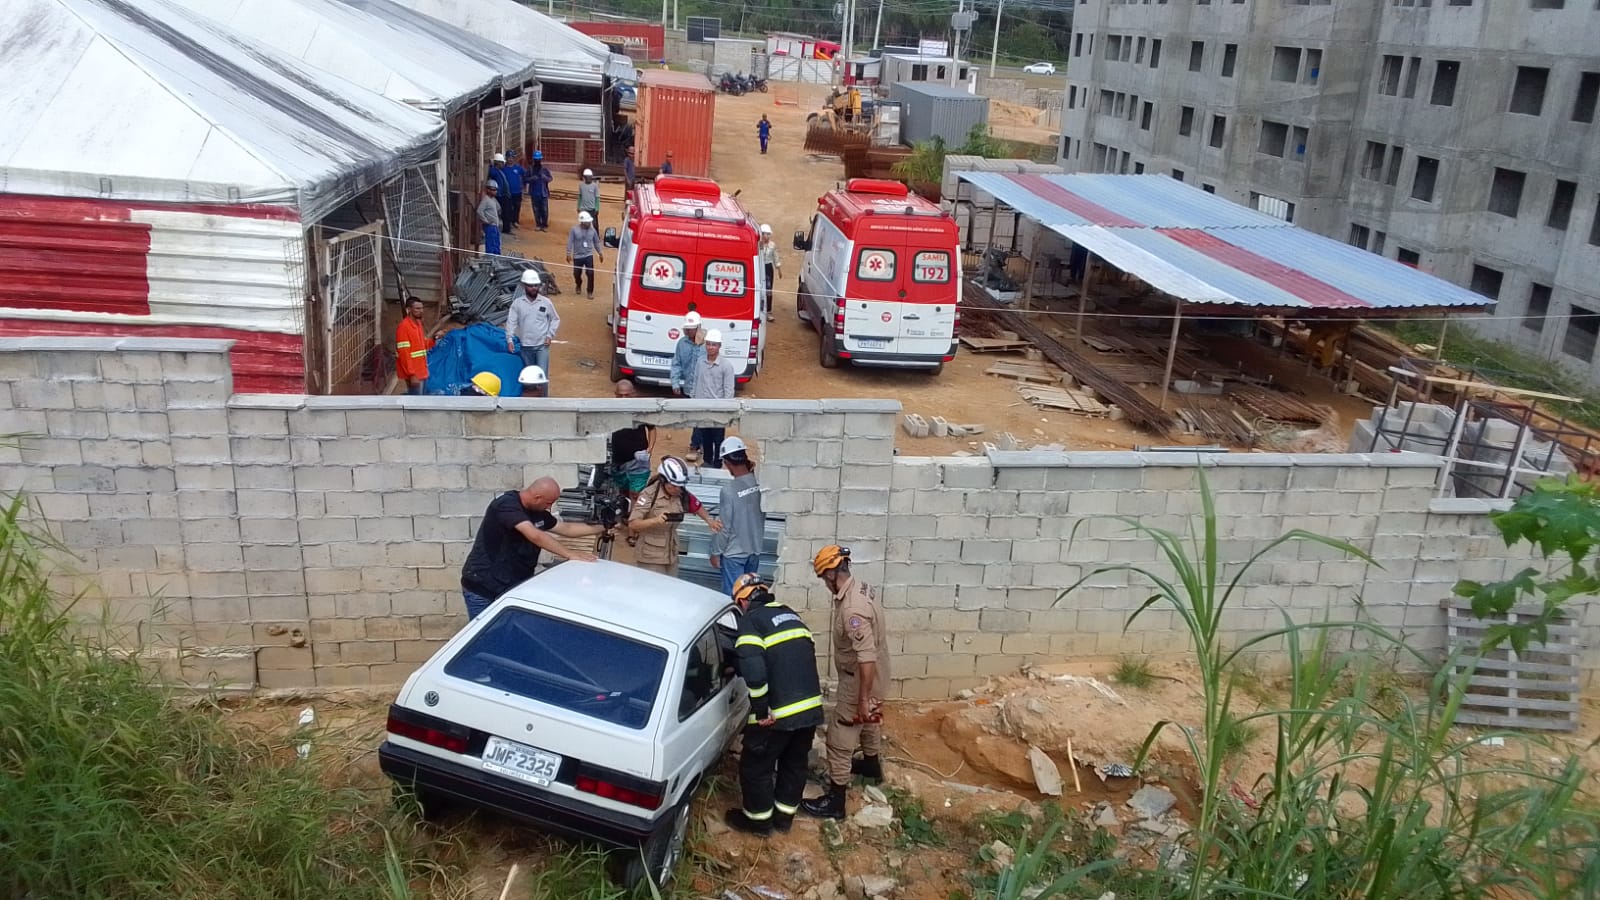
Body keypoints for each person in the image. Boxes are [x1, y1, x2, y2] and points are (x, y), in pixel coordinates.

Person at [723, 574, 824, 836]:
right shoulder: (790, 614)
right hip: (809, 708)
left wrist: (760, 710)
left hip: (777, 713)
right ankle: (783, 819)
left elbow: (755, 671)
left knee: (755, 766)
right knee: (794, 763)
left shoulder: (752, 622)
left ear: (743, 601)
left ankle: (758, 823)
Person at [800, 544, 891, 820]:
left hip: (860, 679)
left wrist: (861, 698)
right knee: (868, 719)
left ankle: (836, 801)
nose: (824, 584)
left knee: (841, 735)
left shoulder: (852, 610)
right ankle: (871, 765)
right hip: (878, 675)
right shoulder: (862, 588)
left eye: (822, 577)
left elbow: (865, 657)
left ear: (830, 574)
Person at [459, 478, 608, 619]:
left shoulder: (538, 513)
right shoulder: (507, 505)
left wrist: (604, 527)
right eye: (548, 503)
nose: (549, 507)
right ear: (537, 497)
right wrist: (569, 554)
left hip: (511, 587)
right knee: (488, 640)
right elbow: (534, 535)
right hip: (483, 588)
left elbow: (567, 528)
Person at [626, 457, 720, 577]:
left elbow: (696, 505)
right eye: (675, 486)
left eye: (681, 486)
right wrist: (655, 521)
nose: (678, 489)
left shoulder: (681, 494)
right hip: (650, 557)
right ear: (664, 481)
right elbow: (633, 524)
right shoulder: (649, 495)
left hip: (671, 554)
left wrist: (709, 520)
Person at [709, 435, 764, 595]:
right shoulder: (759, 483)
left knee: (733, 599)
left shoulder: (729, 491)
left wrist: (715, 552)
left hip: (734, 555)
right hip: (754, 551)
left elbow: (725, 528)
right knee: (748, 597)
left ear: (727, 463)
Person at [505, 269, 560, 385]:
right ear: (524, 286)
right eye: (530, 286)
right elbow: (511, 322)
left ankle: (543, 401)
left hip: (542, 346)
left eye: (536, 285)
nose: (534, 288)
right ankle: (530, 401)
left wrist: (550, 335)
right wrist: (509, 339)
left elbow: (555, 319)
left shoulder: (546, 302)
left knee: (541, 376)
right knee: (529, 378)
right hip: (525, 347)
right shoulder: (517, 304)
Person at [690, 329, 735, 469]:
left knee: (718, 439)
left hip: (718, 410)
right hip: (703, 408)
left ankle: (717, 463)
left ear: (719, 346)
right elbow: (695, 381)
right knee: (706, 437)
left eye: (714, 345)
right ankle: (708, 461)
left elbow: (728, 390)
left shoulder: (726, 366)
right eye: (708, 344)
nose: (710, 347)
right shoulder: (700, 362)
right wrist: (694, 401)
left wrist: (725, 409)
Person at [609, 380, 656, 501]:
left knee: (636, 493)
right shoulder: (610, 410)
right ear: (615, 394)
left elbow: (652, 429)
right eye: (620, 395)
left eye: (627, 395)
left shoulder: (641, 410)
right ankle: (625, 514)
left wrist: (649, 450)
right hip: (618, 461)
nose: (623, 398)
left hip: (638, 461)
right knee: (622, 492)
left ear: (634, 394)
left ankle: (634, 518)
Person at [394, 296, 434, 395]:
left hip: (422, 371)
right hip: (415, 374)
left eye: (422, 308)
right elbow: (404, 354)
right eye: (417, 308)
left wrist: (434, 339)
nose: (421, 311)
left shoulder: (418, 324)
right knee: (415, 403)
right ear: (409, 310)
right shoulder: (404, 327)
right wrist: (412, 375)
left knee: (420, 401)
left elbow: (422, 345)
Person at [565, 211, 604, 299]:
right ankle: (578, 284)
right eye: (588, 222)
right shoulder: (574, 230)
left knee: (590, 273)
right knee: (576, 273)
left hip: (588, 255)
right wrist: (568, 253)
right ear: (582, 222)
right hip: (577, 256)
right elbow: (570, 242)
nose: (590, 223)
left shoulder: (593, 230)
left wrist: (600, 253)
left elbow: (596, 242)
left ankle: (590, 291)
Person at [669, 311, 705, 398]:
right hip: (688, 390)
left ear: (698, 327)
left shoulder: (707, 344)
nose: (688, 331)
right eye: (687, 328)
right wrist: (675, 383)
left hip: (704, 391)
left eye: (691, 328)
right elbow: (676, 364)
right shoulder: (682, 343)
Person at [758, 224, 780, 323]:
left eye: (767, 234)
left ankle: (769, 312)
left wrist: (779, 268)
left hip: (768, 267)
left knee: (768, 289)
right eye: (764, 234)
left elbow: (775, 257)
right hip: (759, 266)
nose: (766, 236)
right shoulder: (757, 244)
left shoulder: (772, 245)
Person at [527, 150, 553, 232]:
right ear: (534, 160)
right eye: (536, 159)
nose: (537, 161)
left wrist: (544, 177)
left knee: (544, 210)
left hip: (543, 193)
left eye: (539, 159)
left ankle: (544, 224)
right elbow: (525, 179)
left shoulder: (544, 169)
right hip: (534, 193)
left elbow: (550, 178)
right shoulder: (530, 169)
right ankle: (538, 224)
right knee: (536, 209)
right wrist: (532, 179)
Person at [489, 154, 514, 233]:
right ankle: (506, 229)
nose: (503, 164)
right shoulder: (494, 171)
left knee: (508, 212)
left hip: (505, 194)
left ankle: (507, 227)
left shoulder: (499, 171)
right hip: (501, 195)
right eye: (502, 163)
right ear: (498, 163)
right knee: (505, 212)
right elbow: (492, 173)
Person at [477, 180, 502, 256]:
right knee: (491, 245)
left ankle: (497, 258)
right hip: (490, 226)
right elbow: (479, 211)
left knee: (496, 244)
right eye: (493, 190)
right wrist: (486, 221)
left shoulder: (493, 200)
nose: (495, 192)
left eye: (496, 190)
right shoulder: (486, 200)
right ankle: (491, 260)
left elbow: (498, 209)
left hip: (495, 226)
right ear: (488, 190)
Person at [503, 150, 525, 233]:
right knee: (508, 209)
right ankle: (509, 222)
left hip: (517, 192)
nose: (510, 159)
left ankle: (515, 221)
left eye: (512, 157)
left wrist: (523, 185)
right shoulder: (503, 169)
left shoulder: (518, 168)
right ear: (506, 158)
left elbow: (525, 175)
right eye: (509, 157)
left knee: (517, 207)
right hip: (508, 193)